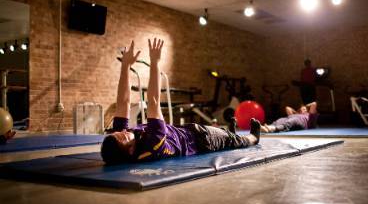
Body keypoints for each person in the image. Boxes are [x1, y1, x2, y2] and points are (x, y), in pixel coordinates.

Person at [101, 38, 261, 164]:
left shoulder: (121, 139)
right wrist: (155, 62)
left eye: (117, 132)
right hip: (202, 139)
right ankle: (253, 137)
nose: (123, 132)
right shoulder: (152, 145)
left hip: (186, 131)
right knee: (233, 140)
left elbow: (123, 102)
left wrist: (125, 66)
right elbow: (154, 100)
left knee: (226, 135)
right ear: (130, 151)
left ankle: (229, 134)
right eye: (122, 137)